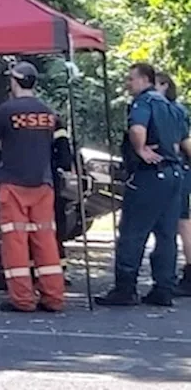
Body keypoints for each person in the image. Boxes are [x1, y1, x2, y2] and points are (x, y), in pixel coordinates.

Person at [96, 64, 191, 307]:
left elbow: (137, 129)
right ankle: (163, 289)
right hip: (174, 176)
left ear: (144, 80)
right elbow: (185, 142)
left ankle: (125, 289)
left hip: (150, 176)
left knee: (132, 233)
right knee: (166, 235)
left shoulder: (143, 103)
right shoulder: (174, 108)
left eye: (131, 79)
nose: (128, 83)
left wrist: (140, 149)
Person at [0, 62, 69, 313]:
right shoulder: (48, 112)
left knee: (15, 241)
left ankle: (22, 299)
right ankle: (53, 297)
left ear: (14, 81)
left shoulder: (6, 110)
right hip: (43, 184)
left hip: (13, 183)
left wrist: (12, 147)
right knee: (45, 239)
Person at [154, 72, 191, 297]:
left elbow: (184, 142)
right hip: (180, 172)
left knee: (180, 224)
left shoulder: (169, 111)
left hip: (173, 172)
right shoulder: (176, 110)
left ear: (165, 86)